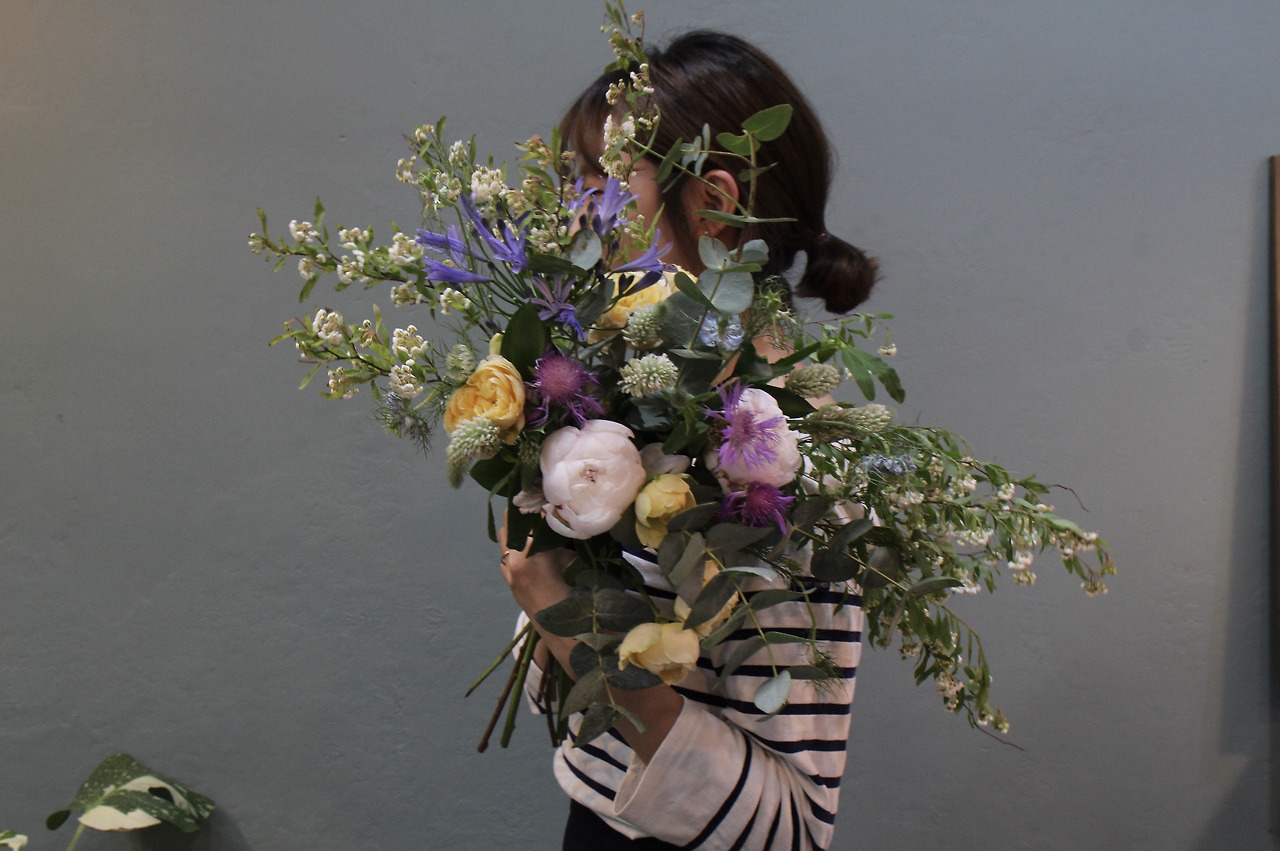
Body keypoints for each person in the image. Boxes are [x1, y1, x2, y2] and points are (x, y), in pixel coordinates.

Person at [500, 29, 877, 851]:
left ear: (713, 204)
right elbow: (578, 710)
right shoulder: (642, 400)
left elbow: (792, 827)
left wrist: (561, 616)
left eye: (600, 189)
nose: (575, 221)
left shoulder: (790, 469)